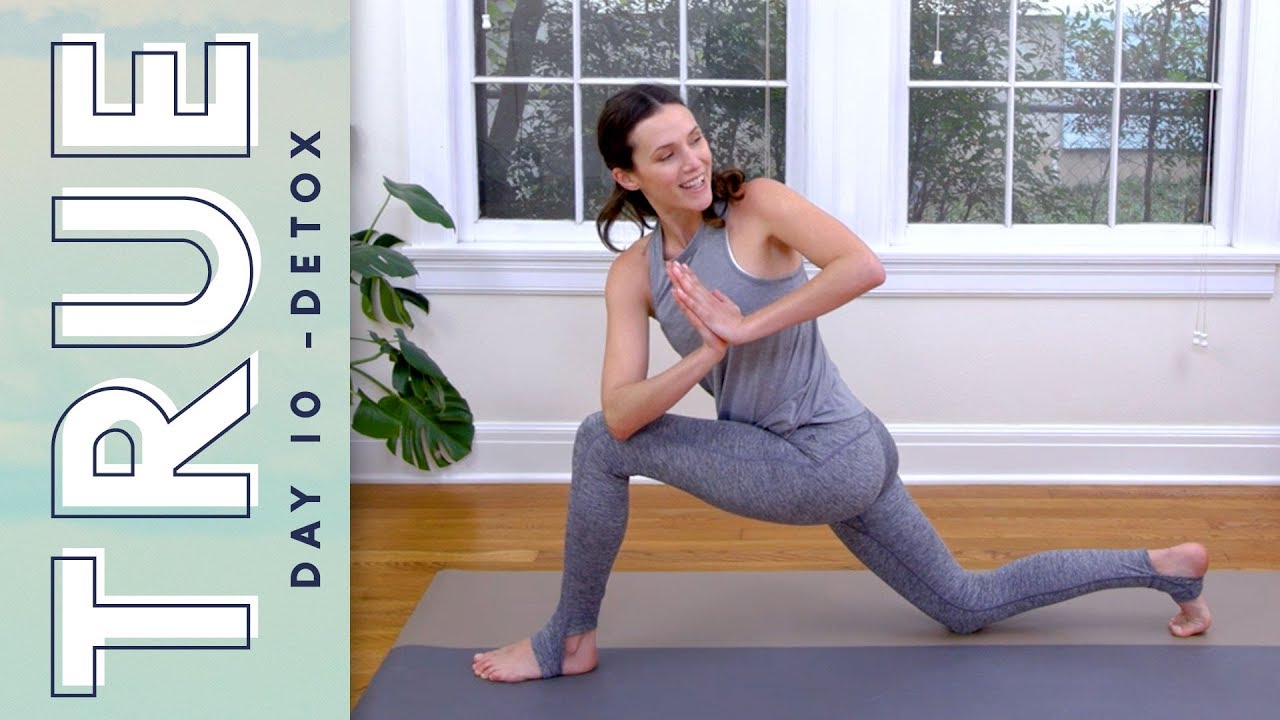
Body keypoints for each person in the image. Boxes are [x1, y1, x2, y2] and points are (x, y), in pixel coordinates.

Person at [471, 84, 1212, 683]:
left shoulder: (754, 207)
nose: (693, 161)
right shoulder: (633, 275)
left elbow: (863, 265)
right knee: (964, 604)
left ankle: (570, 640)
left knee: (594, 443)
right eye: (667, 155)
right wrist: (706, 352)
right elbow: (622, 411)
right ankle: (1165, 570)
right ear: (628, 176)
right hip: (845, 454)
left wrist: (746, 327)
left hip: (823, 458)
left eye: (695, 139)